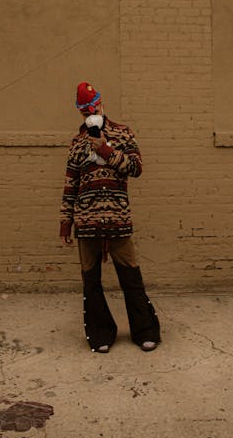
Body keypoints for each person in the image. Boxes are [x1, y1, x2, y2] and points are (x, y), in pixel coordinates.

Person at [60, 81, 161, 353]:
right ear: (80, 112)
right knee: (91, 281)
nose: (90, 113)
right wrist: (66, 221)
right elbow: (71, 184)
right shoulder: (77, 143)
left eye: (93, 107)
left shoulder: (123, 134)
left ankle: (145, 331)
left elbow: (136, 168)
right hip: (87, 220)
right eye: (84, 111)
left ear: (102, 104)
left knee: (131, 277)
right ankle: (101, 333)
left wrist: (106, 149)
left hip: (118, 217)